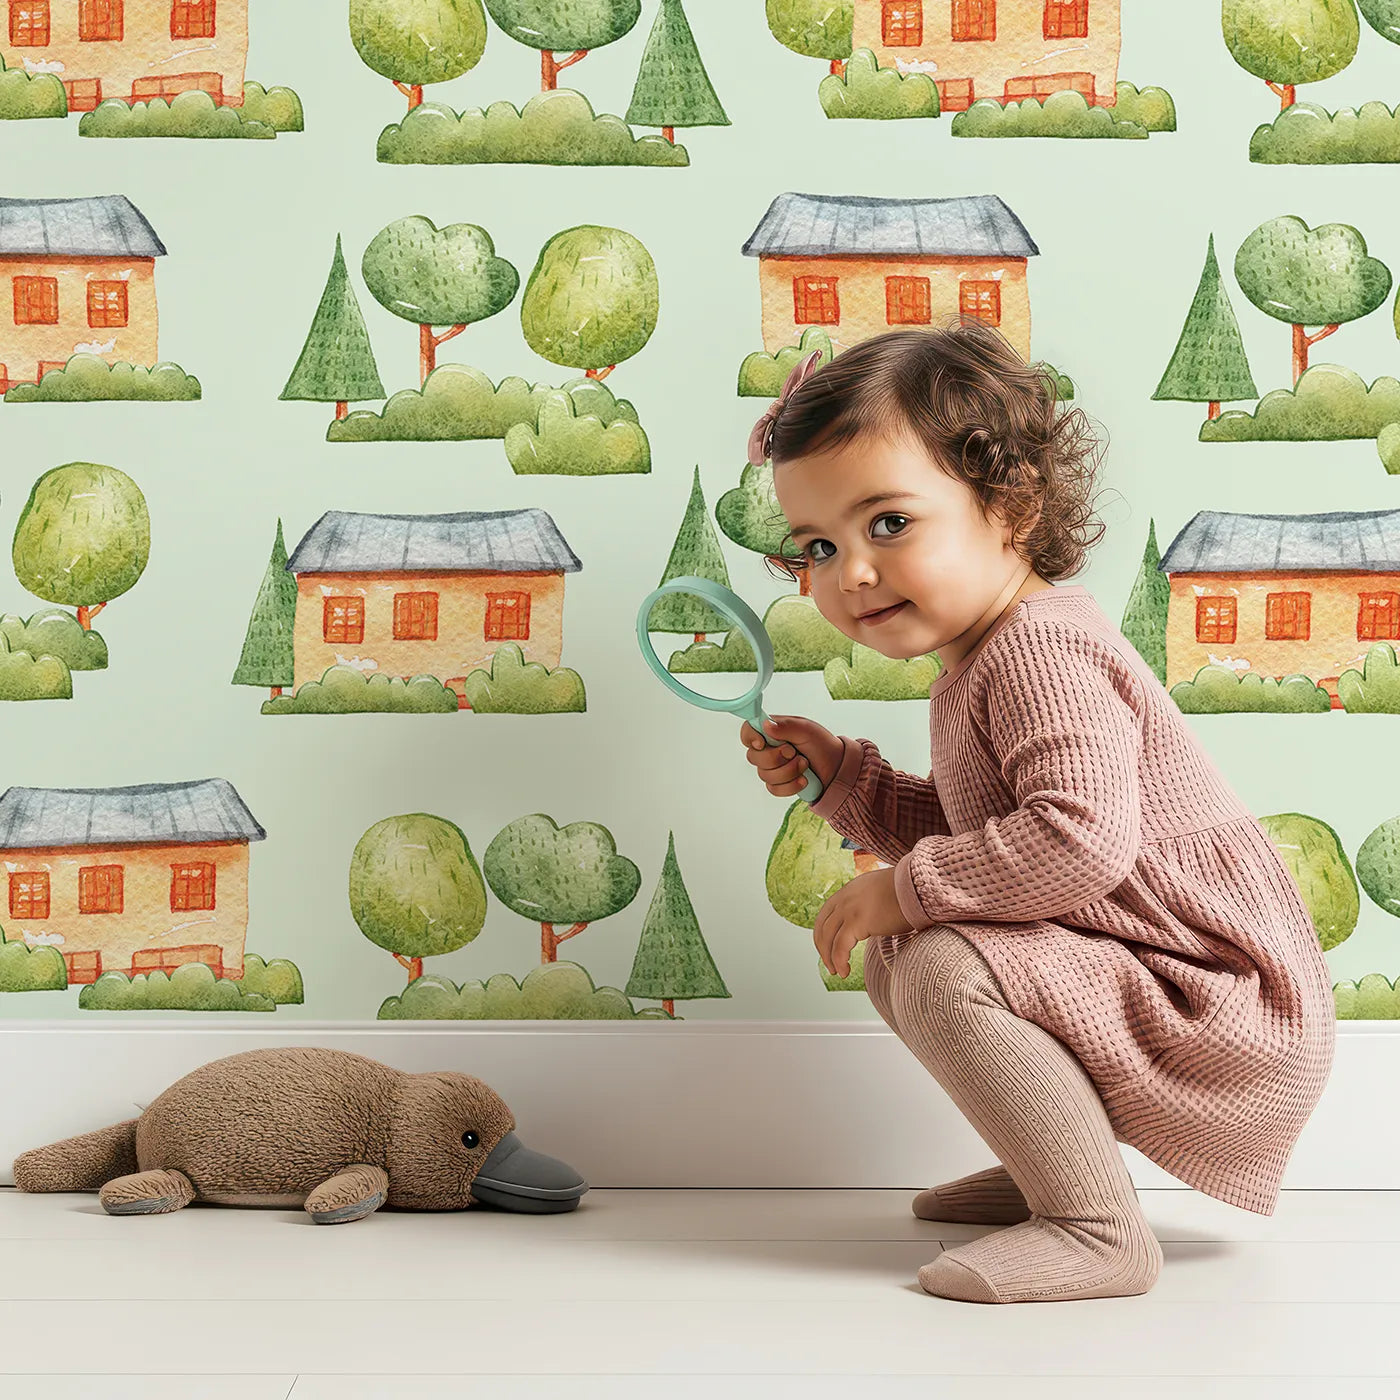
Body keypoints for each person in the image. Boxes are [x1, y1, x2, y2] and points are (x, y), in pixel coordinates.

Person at [738, 321, 1336, 1305]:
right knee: (916, 942)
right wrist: (848, 778)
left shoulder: (1035, 655)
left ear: (1008, 505)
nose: (848, 571)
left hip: (1219, 997)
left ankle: (1093, 1224)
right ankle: (1049, 1166)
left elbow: (1072, 842)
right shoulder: (993, 656)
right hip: (1162, 968)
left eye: (886, 522)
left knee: (930, 951)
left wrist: (908, 886)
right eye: (817, 544)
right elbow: (993, 837)